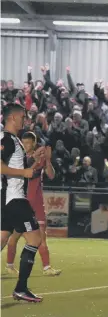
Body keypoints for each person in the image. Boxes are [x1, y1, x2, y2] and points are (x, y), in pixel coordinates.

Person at [0, 103, 44, 302]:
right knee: (34, 239)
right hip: (14, 199)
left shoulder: (14, 140)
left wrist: (32, 161)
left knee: (1, 240)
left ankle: (21, 288)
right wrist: (24, 172)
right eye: (22, 117)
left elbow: (14, 166)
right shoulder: (7, 139)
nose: (24, 121)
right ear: (13, 118)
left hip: (10, 199)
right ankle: (21, 288)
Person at [5, 132, 62, 276]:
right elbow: (26, 168)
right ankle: (9, 265)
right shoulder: (17, 159)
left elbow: (51, 175)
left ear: (34, 143)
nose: (25, 146)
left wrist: (48, 160)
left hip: (36, 203)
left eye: (28, 143)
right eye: (23, 143)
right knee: (12, 237)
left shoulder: (40, 159)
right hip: (21, 202)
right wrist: (36, 159)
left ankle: (47, 267)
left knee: (41, 236)